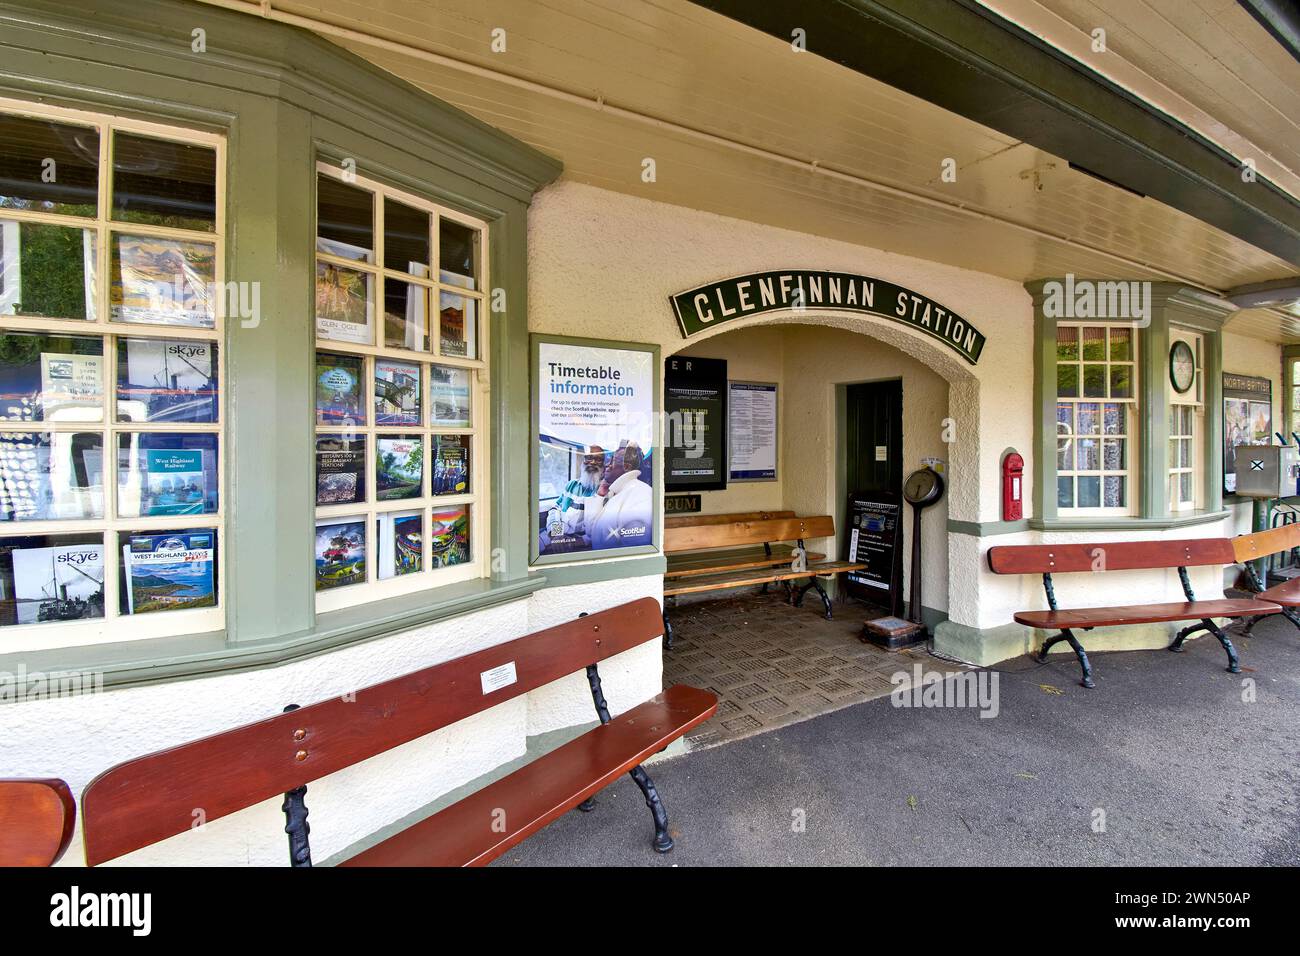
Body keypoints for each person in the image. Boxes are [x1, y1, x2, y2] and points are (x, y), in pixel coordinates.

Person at [586, 441, 652, 548]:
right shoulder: (615, 492)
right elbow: (590, 531)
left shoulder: (640, 494)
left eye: (612, 461)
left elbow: (635, 547)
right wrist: (600, 494)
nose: (607, 465)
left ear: (626, 467)